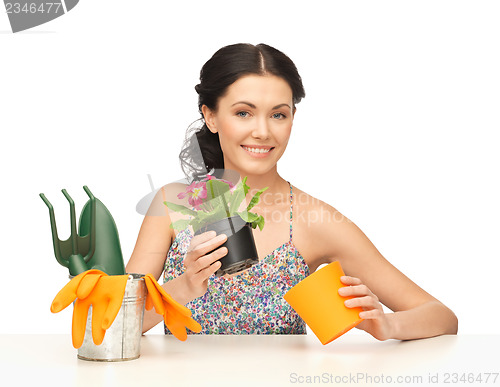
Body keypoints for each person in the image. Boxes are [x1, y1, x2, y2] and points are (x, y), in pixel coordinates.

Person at [126, 43, 458, 340]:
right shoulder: (172, 204)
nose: (262, 131)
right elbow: (113, 324)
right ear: (211, 116)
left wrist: (387, 326)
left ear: (292, 118)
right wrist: (184, 287)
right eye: (244, 112)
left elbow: (441, 317)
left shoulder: (315, 220)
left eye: (278, 115)